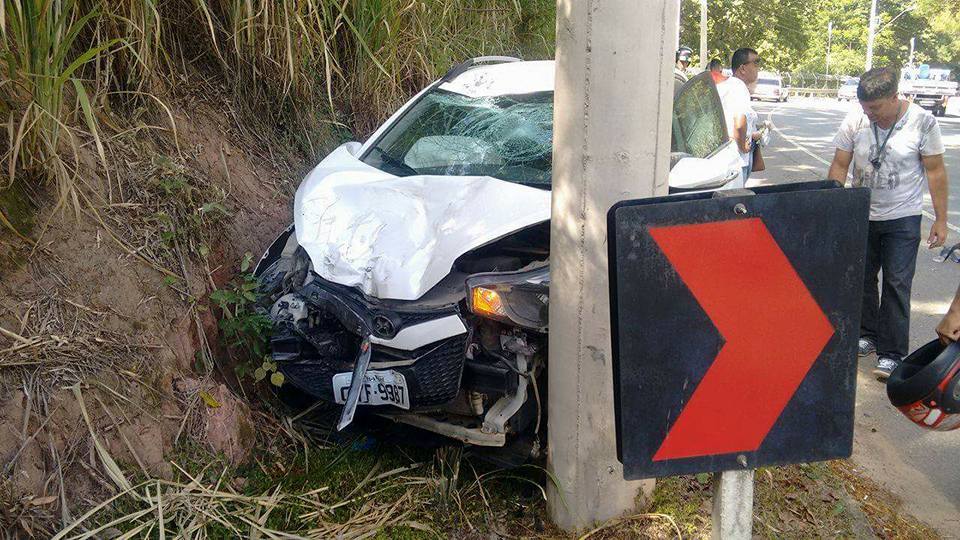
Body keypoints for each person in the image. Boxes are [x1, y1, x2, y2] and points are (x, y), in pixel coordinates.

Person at [827, 67, 949, 380]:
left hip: (903, 218)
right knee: (863, 279)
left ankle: (892, 353)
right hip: (862, 213)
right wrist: (833, 207)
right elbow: (840, 164)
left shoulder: (923, 121)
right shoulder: (857, 119)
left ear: (895, 98)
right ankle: (867, 334)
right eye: (866, 108)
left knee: (897, 283)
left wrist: (941, 220)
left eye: (877, 108)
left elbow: (935, 172)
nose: (871, 114)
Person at [717, 48, 761, 182]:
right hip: (736, 159)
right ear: (742, 68)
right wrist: (743, 145)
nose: (758, 68)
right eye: (755, 63)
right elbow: (739, 121)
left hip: (724, 157)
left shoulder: (726, 86)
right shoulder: (739, 87)